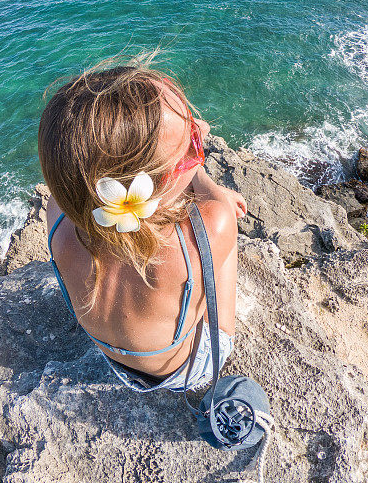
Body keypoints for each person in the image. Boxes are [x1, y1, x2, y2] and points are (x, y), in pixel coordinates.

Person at [38, 53, 247, 393]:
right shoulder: (209, 227)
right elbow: (219, 207)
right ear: (149, 187)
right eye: (193, 141)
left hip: (112, 359)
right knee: (218, 237)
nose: (204, 131)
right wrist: (206, 183)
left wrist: (183, 162)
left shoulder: (57, 213)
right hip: (186, 368)